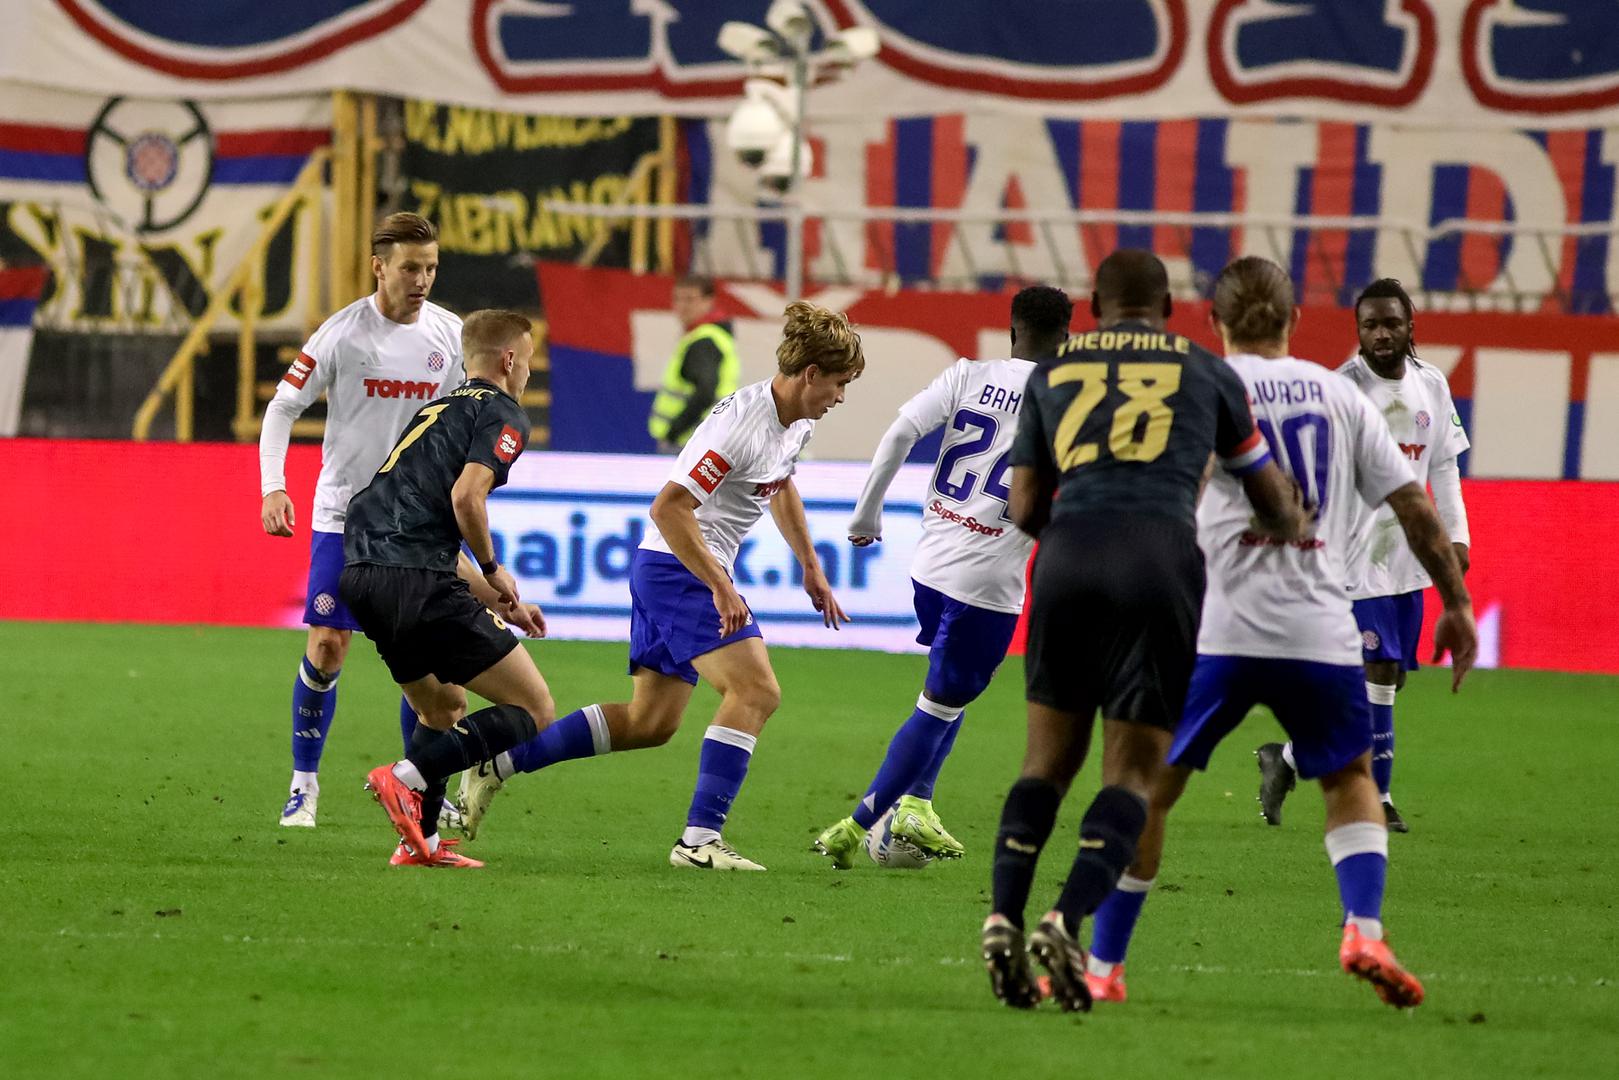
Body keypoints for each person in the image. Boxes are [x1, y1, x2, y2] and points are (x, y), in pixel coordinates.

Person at [1081, 256, 1477, 1009]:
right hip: (1319, 630)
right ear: (1296, 320)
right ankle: (1362, 926)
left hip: (1217, 632)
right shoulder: (1342, 396)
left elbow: (1163, 504)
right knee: (1350, 779)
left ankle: (1104, 967)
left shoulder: (1200, 391)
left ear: (1214, 322)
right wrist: (1454, 602)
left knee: (1145, 792)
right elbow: (1415, 508)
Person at [980, 249, 1309, 1013]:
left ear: (1093, 304)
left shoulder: (1053, 371)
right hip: (1160, 563)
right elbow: (1267, 499)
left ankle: (1002, 914)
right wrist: (1289, 514)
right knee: (1130, 776)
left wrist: (1074, 539)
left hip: (1066, 558)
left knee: (1043, 766)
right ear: (1171, 306)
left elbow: (1024, 505)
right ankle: (1064, 919)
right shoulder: (1206, 370)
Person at [456, 301, 862, 871]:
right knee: (756, 691)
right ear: (811, 374)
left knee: (650, 724)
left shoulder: (794, 420)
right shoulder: (740, 424)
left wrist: (810, 563)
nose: (841, 397)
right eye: (839, 383)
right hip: (678, 569)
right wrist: (720, 584)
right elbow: (670, 508)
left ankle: (500, 763)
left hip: (673, 570)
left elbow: (782, 482)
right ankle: (698, 842)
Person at [813, 285, 1073, 868]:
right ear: (1067, 340)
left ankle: (919, 803)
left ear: (1011, 332)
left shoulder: (966, 374)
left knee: (946, 695)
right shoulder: (1066, 399)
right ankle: (858, 826)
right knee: (940, 704)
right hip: (988, 584)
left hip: (928, 569)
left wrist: (866, 514)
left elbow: (901, 432)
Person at [259, 211, 466, 829]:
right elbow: (281, 408)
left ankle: (423, 788)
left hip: (421, 523)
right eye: (410, 267)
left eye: (430, 267)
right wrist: (274, 487)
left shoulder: (450, 336)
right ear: (379, 266)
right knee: (327, 645)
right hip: (343, 515)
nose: (422, 279)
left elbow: (468, 420)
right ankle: (303, 785)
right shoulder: (341, 334)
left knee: (430, 663)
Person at [1255, 278, 1472, 833]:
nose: (1380, 334)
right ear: (1358, 330)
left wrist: (1457, 536)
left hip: (1409, 558)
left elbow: (1444, 467)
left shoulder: (1432, 385)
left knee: (1386, 683)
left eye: (1390, 323)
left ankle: (1285, 760)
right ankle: (1380, 795)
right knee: (1377, 672)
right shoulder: (1339, 391)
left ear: (1409, 327)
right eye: (1370, 325)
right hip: (1352, 558)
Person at [344, 310, 553, 868]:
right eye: (528, 359)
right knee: (534, 708)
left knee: (443, 707)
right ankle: (405, 777)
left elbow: (423, 528)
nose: (529, 371)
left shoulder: (436, 410)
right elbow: (467, 499)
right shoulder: (503, 413)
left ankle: (423, 844)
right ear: (509, 360)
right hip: (417, 580)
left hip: (364, 576)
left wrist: (499, 598)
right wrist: (492, 565)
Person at [648, 275, 740, 451]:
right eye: (677, 299)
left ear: (709, 301)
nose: (682, 306)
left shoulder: (704, 340)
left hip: (690, 442)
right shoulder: (711, 336)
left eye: (690, 299)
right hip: (705, 438)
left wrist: (674, 432)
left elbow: (705, 392)